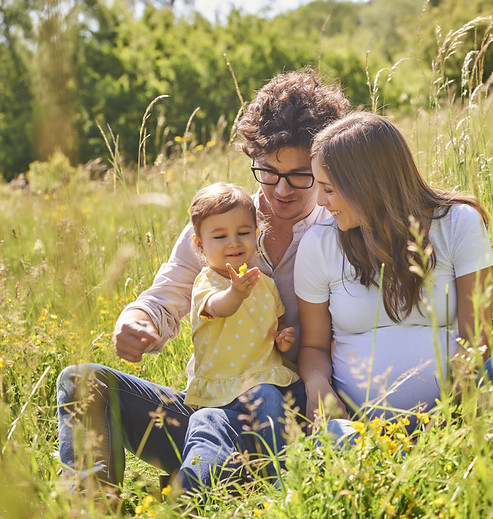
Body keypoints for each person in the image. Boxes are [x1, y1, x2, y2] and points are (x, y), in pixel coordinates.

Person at [56, 69, 350, 494]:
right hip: (207, 409)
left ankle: (230, 479)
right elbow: (166, 295)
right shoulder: (222, 221)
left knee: (248, 419)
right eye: (268, 171)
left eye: (301, 175)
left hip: (285, 414)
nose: (282, 189)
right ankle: (91, 502)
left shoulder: (337, 227)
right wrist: (139, 320)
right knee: (82, 381)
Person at [295, 112, 493, 425]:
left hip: (458, 414)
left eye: (329, 189)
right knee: (336, 440)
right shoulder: (319, 245)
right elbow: (313, 346)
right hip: (362, 434)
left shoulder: (459, 223)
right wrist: (317, 384)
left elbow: (476, 336)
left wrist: (450, 421)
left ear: (368, 185)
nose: (320, 201)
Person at [184, 182, 298, 456]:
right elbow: (218, 307)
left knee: (304, 392)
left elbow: (275, 326)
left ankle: (309, 455)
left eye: (243, 232)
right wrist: (235, 293)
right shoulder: (207, 283)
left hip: (267, 375)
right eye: (220, 236)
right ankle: (280, 473)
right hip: (225, 386)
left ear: (256, 234)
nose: (234, 242)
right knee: (267, 397)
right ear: (200, 244)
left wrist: (282, 339)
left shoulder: (265, 283)